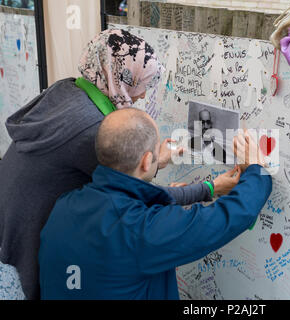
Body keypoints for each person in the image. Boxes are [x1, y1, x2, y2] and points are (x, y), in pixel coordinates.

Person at [0, 29, 220, 300]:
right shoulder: (93, 128)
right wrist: (208, 187)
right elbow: (136, 198)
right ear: (120, 77)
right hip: (30, 236)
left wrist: (156, 162)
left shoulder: (69, 89)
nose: (141, 97)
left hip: (11, 223)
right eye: (140, 84)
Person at [39, 108, 272, 300]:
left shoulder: (63, 206)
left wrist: (208, 189)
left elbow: (126, 197)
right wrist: (256, 170)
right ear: (146, 160)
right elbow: (226, 218)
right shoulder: (140, 231)